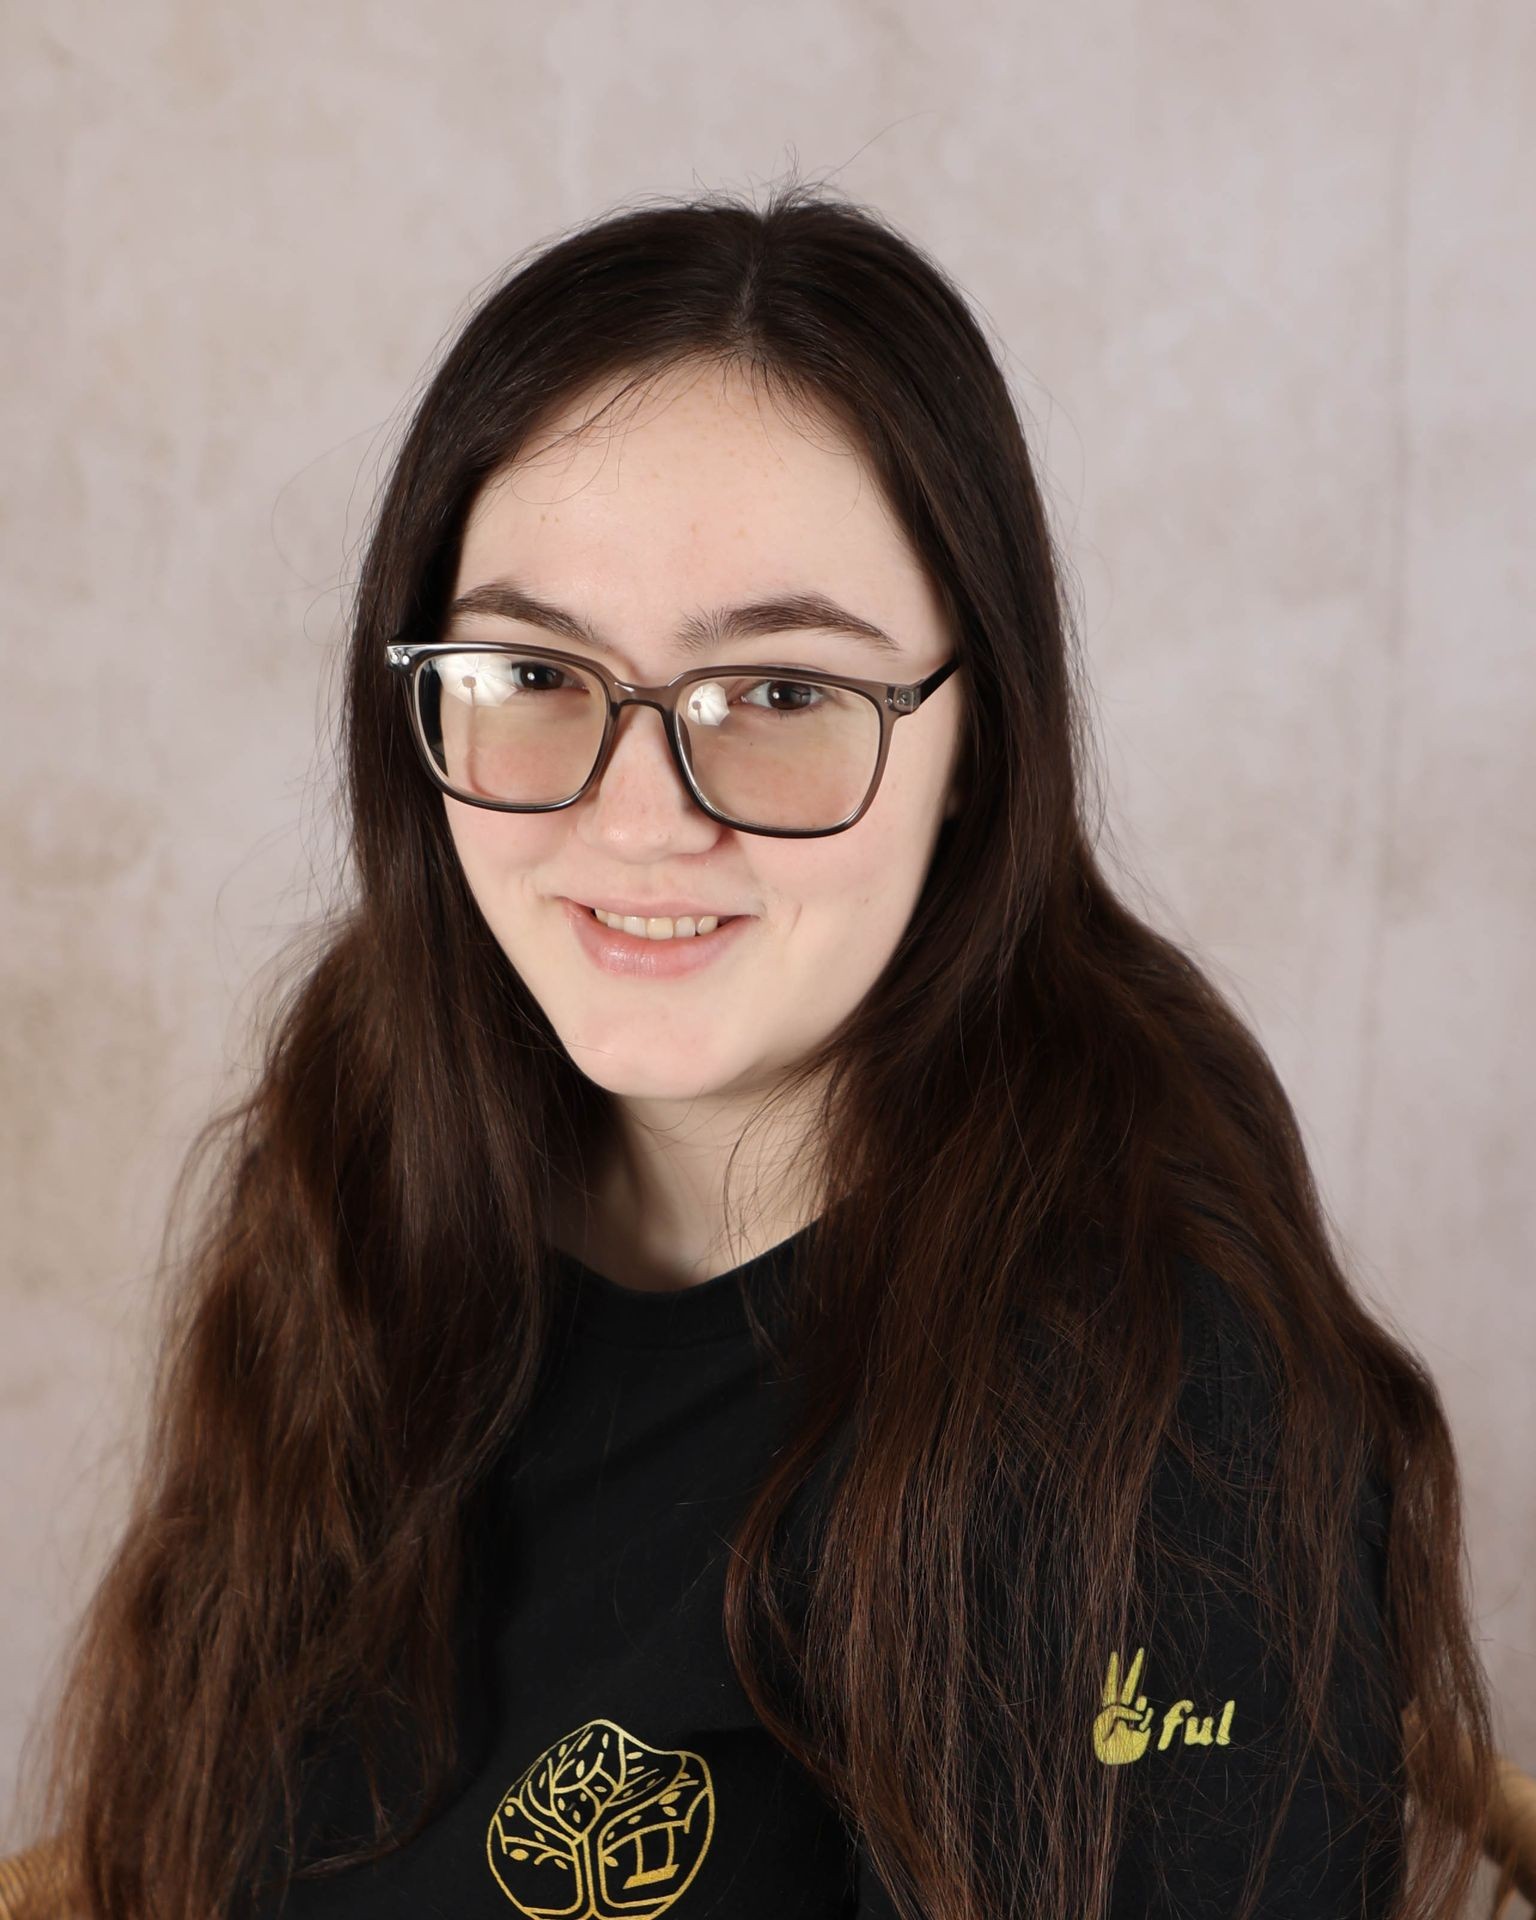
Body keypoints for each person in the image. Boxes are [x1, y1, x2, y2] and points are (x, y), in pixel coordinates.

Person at [12, 180, 1501, 1920]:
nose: (637, 819)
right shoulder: (373, 1114)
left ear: (980, 750)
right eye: (532, 672)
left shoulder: (1155, 1381)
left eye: (782, 696)